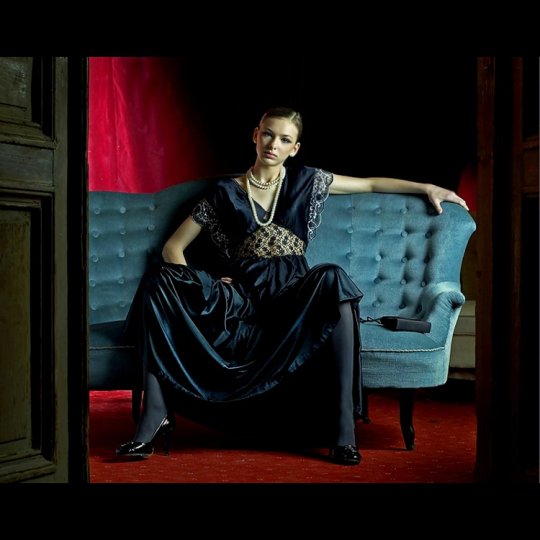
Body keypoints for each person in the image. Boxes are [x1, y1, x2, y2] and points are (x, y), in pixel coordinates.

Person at [116, 106, 469, 466]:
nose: (274, 144)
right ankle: (155, 415)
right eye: (268, 134)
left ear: (294, 148)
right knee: (160, 280)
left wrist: (428, 188)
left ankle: (343, 432)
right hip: (243, 297)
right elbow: (172, 247)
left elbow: (370, 184)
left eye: (285, 139)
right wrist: (202, 282)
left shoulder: (306, 181)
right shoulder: (225, 192)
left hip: (292, 297)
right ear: (255, 135)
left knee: (333, 277)